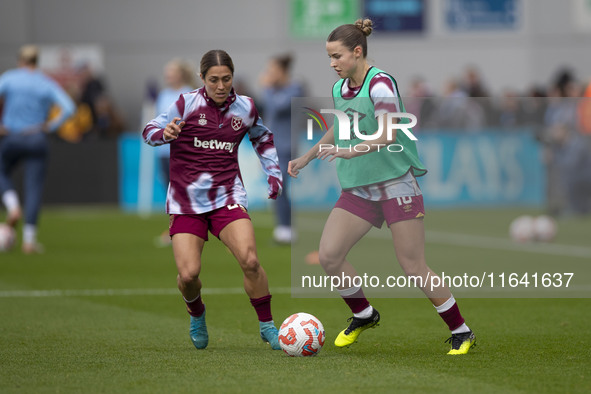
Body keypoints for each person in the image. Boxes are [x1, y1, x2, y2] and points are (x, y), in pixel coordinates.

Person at [288, 19, 476, 355]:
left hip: (395, 185)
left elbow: (388, 133)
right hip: (359, 188)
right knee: (330, 257)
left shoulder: (381, 84)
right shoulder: (338, 88)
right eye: (329, 57)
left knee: (413, 266)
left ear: (357, 52)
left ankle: (461, 331)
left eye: (337, 56)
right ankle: (364, 314)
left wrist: (351, 149)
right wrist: (308, 156)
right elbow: (339, 126)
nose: (332, 63)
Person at [142, 49, 283, 350]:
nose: (221, 86)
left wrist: (274, 174)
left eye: (227, 79)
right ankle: (196, 312)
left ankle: (267, 325)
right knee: (189, 274)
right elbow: (148, 130)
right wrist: (164, 133)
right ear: (202, 78)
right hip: (186, 202)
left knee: (251, 260)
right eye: (214, 80)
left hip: (227, 196)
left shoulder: (245, 107)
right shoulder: (185, 103)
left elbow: (263, 137)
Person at [0, 45, 76, 253]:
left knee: (1, 170)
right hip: (37, 137)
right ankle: (29, 241)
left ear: (20, 60)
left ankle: (13, 205)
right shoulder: (45, 82)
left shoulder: (10, 78)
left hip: (12, 136)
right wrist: (51, 126)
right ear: (37, 61)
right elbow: (69, 107)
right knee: (33, 187)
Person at [259, 54, 304, 244]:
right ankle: (283, 228)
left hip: (286, 145)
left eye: (272, 70)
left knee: (281, 185)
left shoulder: (295, 89)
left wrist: (267, 88)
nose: (269, 75)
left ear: (282, 71)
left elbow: (279, 107)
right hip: (270, 146)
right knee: (276, 187)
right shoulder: (274, 91)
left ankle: (286, 229)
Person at [153, 58, 198, 247]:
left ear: (180, 74)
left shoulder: (190, 93)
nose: (167, 75)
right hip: (164, 150)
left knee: (185, 191)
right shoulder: (163, 95)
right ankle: (177, 229)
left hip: (184, 151)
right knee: (170, 192)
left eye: (171, 71)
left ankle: (188, 229)